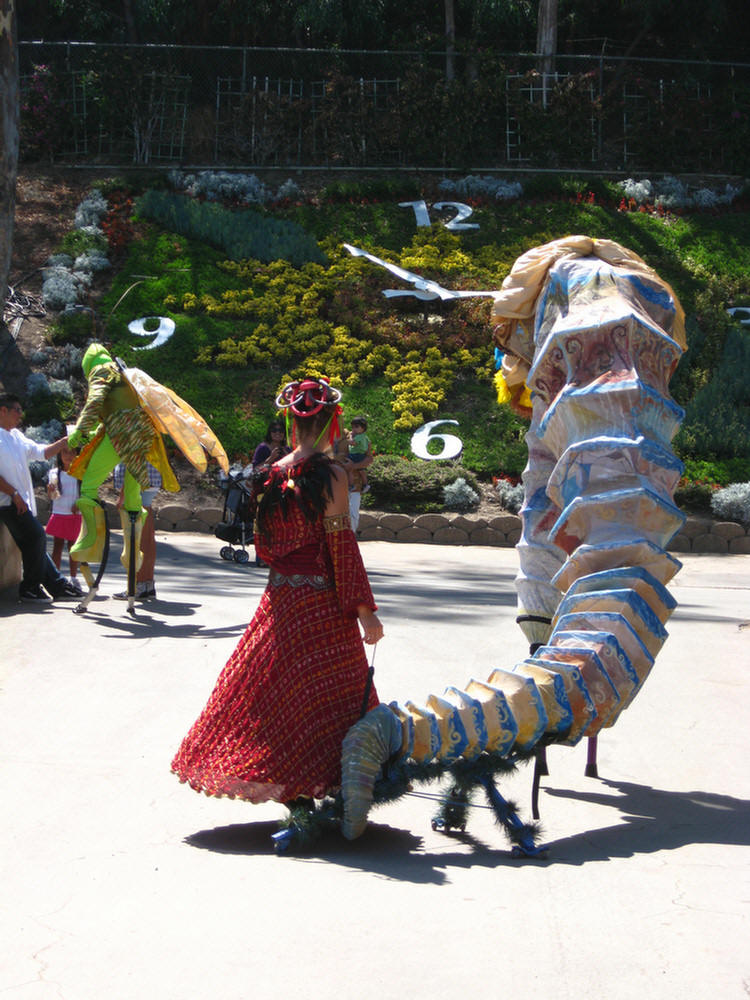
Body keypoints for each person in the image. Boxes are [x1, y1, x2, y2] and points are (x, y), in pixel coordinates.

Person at [172, 376, 384, 808]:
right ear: (332, 424)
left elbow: (264, 545)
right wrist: (365, 610)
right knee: (331, 692)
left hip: (281, 599)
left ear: (291, 423)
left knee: (280, 692)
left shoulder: (272, 474)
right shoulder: (332, 476)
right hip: (323, 602)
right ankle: (332, 786)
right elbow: (341, 547)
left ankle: (293, 789)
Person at [0, 393, 81, 602]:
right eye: (17, 410)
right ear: (3, 411)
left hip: (19, 502)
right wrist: (13, 493)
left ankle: (57, 585)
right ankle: (30, 587)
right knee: (37, 537)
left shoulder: (16, 435)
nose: (21, 415)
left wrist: (63, 442)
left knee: (32, 543)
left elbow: (40, 452)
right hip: (7, 503)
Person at [112, 461, 162, 601]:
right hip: (150, 479)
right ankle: (148, 584)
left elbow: (132, 460)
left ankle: (137, 586)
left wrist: (122, 495)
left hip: (137, 484)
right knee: (148, 537)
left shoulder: (130, 438)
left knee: (137, 539)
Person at [45, 438, 83, 593]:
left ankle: (74, 577)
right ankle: (56, 578)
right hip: (59, 513)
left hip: (74, 515)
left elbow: (85, 492)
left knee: (73, 547)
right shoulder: (54, 473)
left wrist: (79, 503)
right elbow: (52, 495)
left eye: (72, 452)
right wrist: (50, 489)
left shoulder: (80, 473)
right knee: (58, 547)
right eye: (65, 452)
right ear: (59, 455)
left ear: (77, 454)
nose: (68, 456)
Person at [342, 416, 371, 493]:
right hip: (361, 455)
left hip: (355, 455)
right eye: (352, 427)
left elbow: (352, 443)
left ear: (363, 428)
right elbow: (368, 442)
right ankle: (365, 484)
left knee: (350, 470)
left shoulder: (358, 436)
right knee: (361, 471)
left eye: (356, 427)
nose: (354, 429)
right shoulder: (364, 436)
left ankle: (351, 485)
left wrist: (350, 436)